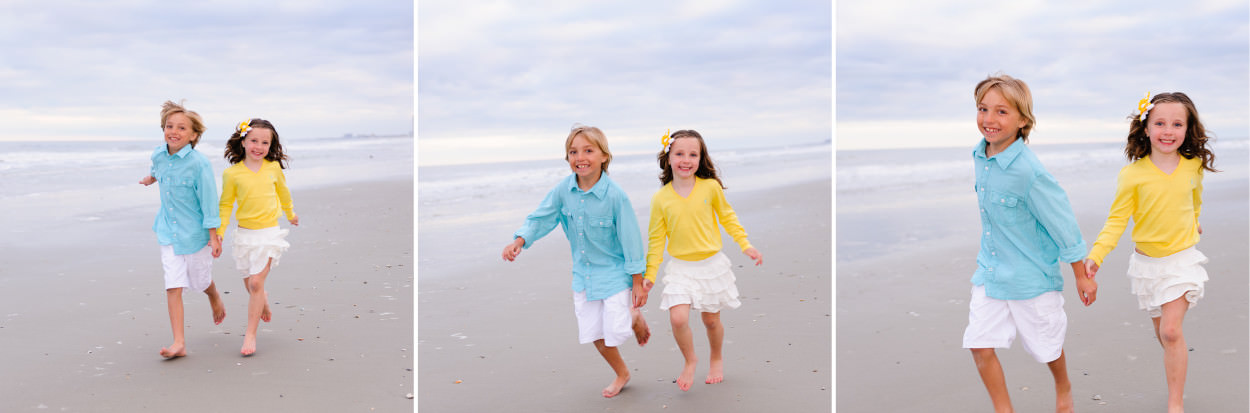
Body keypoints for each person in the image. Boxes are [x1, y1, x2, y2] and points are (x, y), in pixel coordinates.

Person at [961, 75, 1097, 413]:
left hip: (1031, 278)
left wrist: (1081, 274)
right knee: (979, 345)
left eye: (1002, 112)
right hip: (991, 273)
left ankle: (1063, 386)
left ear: (1023, 120)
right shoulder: (981, 157)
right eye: (983, 109)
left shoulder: (1030, 172)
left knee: (1047, 349)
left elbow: (1062, 223)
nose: (989, 119)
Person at [1085, 92, 1217, 413]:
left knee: (1171, 332)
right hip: (1147, 265)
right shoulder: (1133, 175)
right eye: (1160, 123)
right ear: (1146, 128)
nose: (1168, 131)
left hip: (1182, 260)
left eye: (1176, 124)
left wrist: (1195, 222)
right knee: (1164, 333)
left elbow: (1194, 200)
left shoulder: (1193, 167)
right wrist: (1097, 255)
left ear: (1187, 129)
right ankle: (1176, 361)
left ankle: (1175, 403)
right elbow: (1117, 221)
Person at [500, 124, 650, 398]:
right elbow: (541, 217)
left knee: (615, 329)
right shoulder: (562, 191)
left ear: (604, 156)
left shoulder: (616, 196)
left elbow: (631, 240)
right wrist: (520, 240)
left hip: (615, 273)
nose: (580, 157)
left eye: (588, 150)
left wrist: (637, 281)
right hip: (584, 275)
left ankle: (633, 316)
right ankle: (622, 373)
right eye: (573, 151)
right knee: (595, 333)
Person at [644, 129, 763, 392]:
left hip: (711, 266)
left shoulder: (710, 188)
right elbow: (656, 240)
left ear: (701, 158)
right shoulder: (661, 198)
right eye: (679, 154)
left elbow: (728, 217)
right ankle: (690, 359)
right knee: (677, 318)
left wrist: (745, 244)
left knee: (711, 321)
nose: (686, 160)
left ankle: (716, 357)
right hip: (680, 269)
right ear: (668, 157)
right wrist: (650, 274)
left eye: (693, 154)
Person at [139, 100, 226, 359]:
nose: (173, 131)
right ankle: (179, 342)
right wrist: (150, 178)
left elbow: (209, 201)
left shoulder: (199, 164)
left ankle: (213, 295)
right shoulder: (158, 154)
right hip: (168, 231)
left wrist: (214, 235)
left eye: (181, 127)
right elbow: (158, 169)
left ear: (193, 135)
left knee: (199, 281)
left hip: (196, 234)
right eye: (169, 126)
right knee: (173, 285)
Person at [217, 118, 299, 356]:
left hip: (268, 234)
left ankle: (250, 335)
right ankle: (262, 298)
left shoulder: (273, 168)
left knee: (255, 282)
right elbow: (225, 205)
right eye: (254, 140)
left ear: (270, 145)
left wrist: (290, 214)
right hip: (244, 236)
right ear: (243, 142)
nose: (259, 146)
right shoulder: (232, 174)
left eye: (265, 142)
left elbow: (284, 193)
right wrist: (220, 232)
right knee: (251, 285)